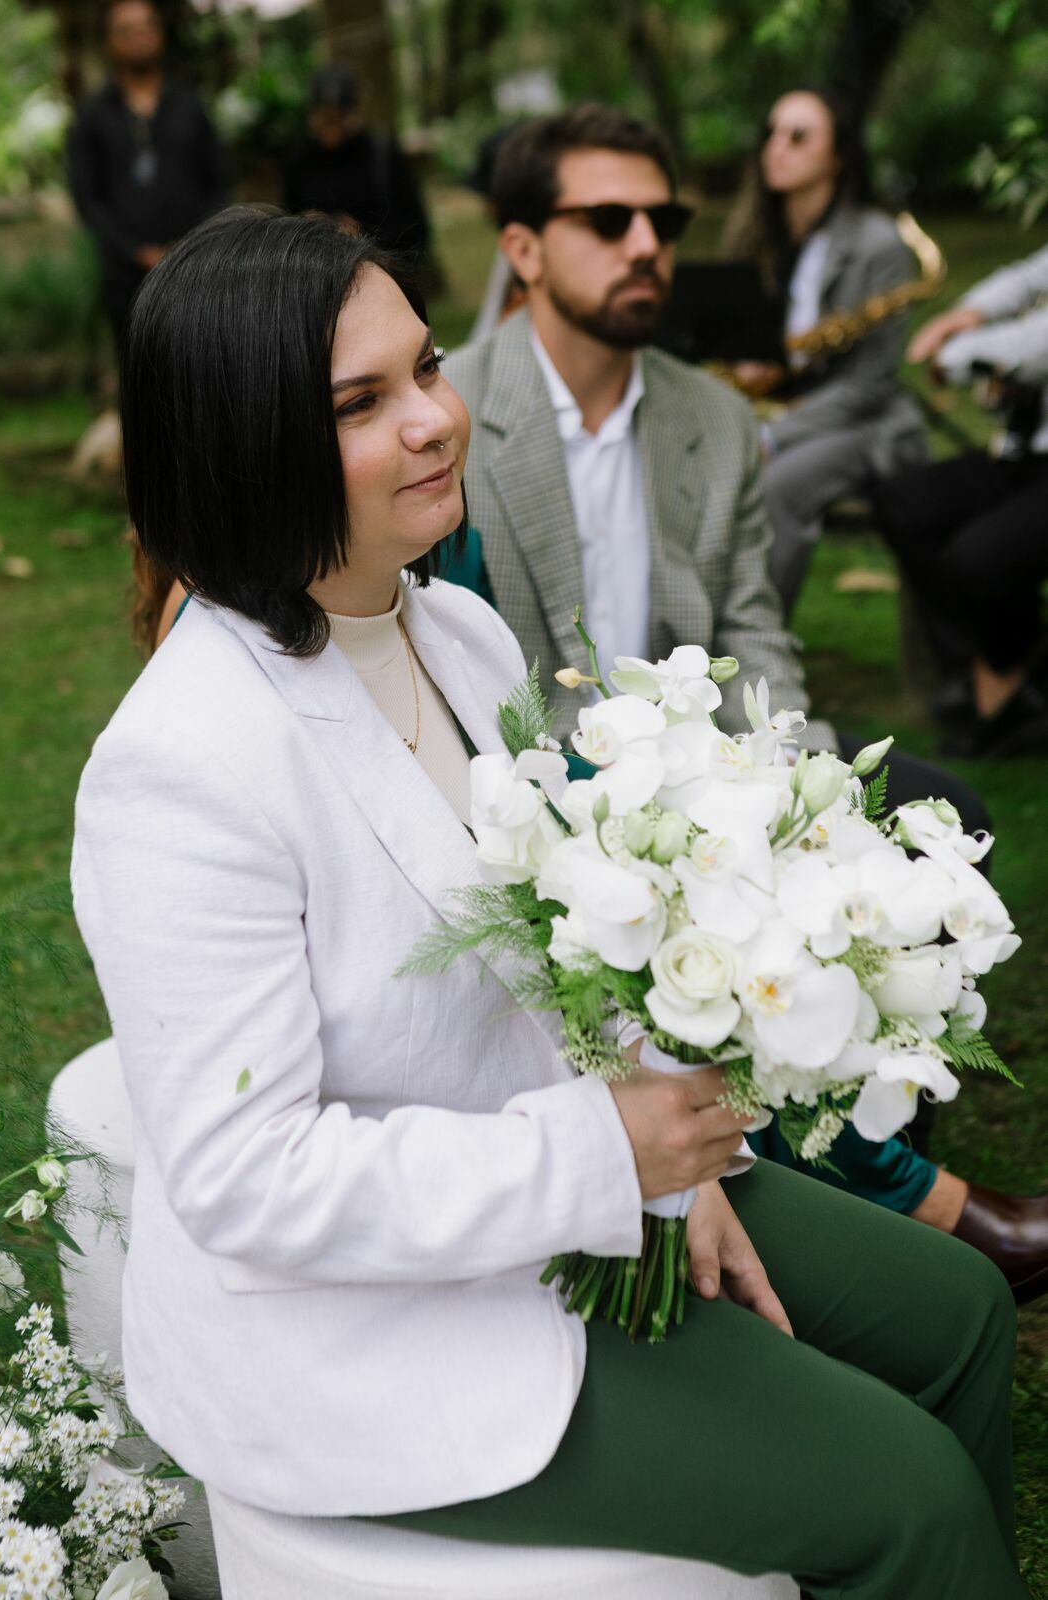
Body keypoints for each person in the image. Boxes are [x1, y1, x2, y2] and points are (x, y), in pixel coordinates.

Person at [71, 203, 1030, 1600]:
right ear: (245, 441)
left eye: (427, 368)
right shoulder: (181, 769)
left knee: (955, 1313)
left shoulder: (449, 627)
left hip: (585, 1188)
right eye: (361, 402)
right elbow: (247, 1181)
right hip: (366, 1334)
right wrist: (604, 1161)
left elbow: (554, 943)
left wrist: (658, 1147)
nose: (434, 420)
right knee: (909, 1502)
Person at [442, 105, 1048, 1300]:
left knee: (924, 821)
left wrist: (801, 798)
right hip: (527, 803)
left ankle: (861, 1197)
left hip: (710, 773)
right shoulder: (448, 415)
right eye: (605, 220)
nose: (645, 245)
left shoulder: (711, 419)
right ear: (521, 248)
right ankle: (907, 1213)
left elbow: (755, 636)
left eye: (661, 220)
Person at [722, 88, 925, 615]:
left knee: (779, 485)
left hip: (863, 423)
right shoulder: (757, 234)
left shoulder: (879, 244)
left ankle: (754, 642)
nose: (777, 147)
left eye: (798, 136)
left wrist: (771, 435)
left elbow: (870, 388)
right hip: (778, 405)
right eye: (771, 133)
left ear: (837, 156)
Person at [876, 244, 1048, 757]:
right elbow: (1025, 275)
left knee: (979, 558)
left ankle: (1004, 686)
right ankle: (989, 667)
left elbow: (1031, 347)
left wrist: (953, 352)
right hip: (1027, 452)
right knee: (906, 503)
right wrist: (965, 313)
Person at [67, 0, 227, 354]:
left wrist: (191, 245)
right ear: (110, 41)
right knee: (139, 375)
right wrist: (135, 252)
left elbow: (218, 180)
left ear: (160, 34)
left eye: (145, 27)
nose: (138, 37)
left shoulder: (189, 106)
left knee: (198, 370)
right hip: (126, 279)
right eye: (126, 30)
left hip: (194, 268)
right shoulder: (93, 115)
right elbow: (87, 198)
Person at [283, 64, 431, 258]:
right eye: (323, 118)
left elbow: (416, 229)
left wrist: (361, 233)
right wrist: (307, 226)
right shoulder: (300, 160)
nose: (331, 127)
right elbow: (286, 220)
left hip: (377, 267)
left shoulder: (381, 154)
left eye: (339, 117)